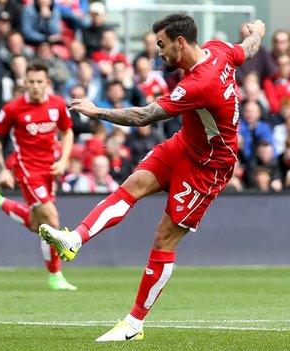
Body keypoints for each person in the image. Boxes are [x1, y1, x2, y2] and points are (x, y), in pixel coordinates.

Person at [37, 15, 265, 341]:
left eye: (162, 44)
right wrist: (258, 29)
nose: (158, 52)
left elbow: (144, 116)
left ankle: (133, 325)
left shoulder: (199, 84)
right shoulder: (219, 49)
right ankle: (74, 240)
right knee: (132, 185)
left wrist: (97, 111)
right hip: (185, 144)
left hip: (210, 166)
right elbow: (248, 47)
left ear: (180, 43)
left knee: (164, 238)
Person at [0, 60, 76, 291]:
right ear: (24, 82)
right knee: (51, 220)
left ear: (47, 82)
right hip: (28, 169)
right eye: (31, 82)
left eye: (40, 82)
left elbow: (67, 131)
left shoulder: (58, 105)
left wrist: (63, 160)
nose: (35, 86)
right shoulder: (13, 108)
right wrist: (1, 169)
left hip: (50, 169)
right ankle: (55, 276)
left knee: (36, 224)